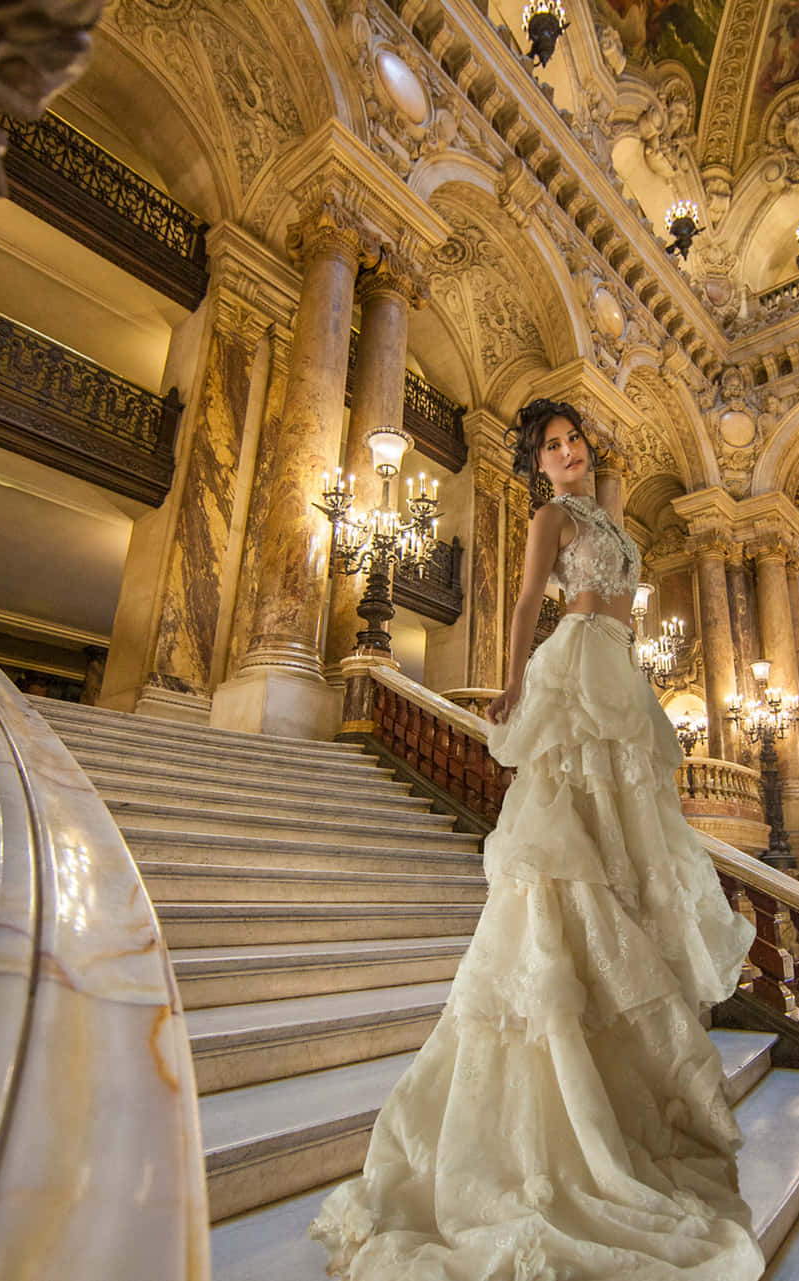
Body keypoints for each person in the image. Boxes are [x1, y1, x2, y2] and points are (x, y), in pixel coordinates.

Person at [309, 399, 763, 1280]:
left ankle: (619, 1086)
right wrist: (512, 686)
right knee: (564, 866)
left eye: (573, 439)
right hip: (577, 660)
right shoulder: (551, 516)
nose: (565, 452)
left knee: (627, 864)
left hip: (620, 674)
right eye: (550, 446)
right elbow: (524, 601)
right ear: (539, 466)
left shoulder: (613, 520)